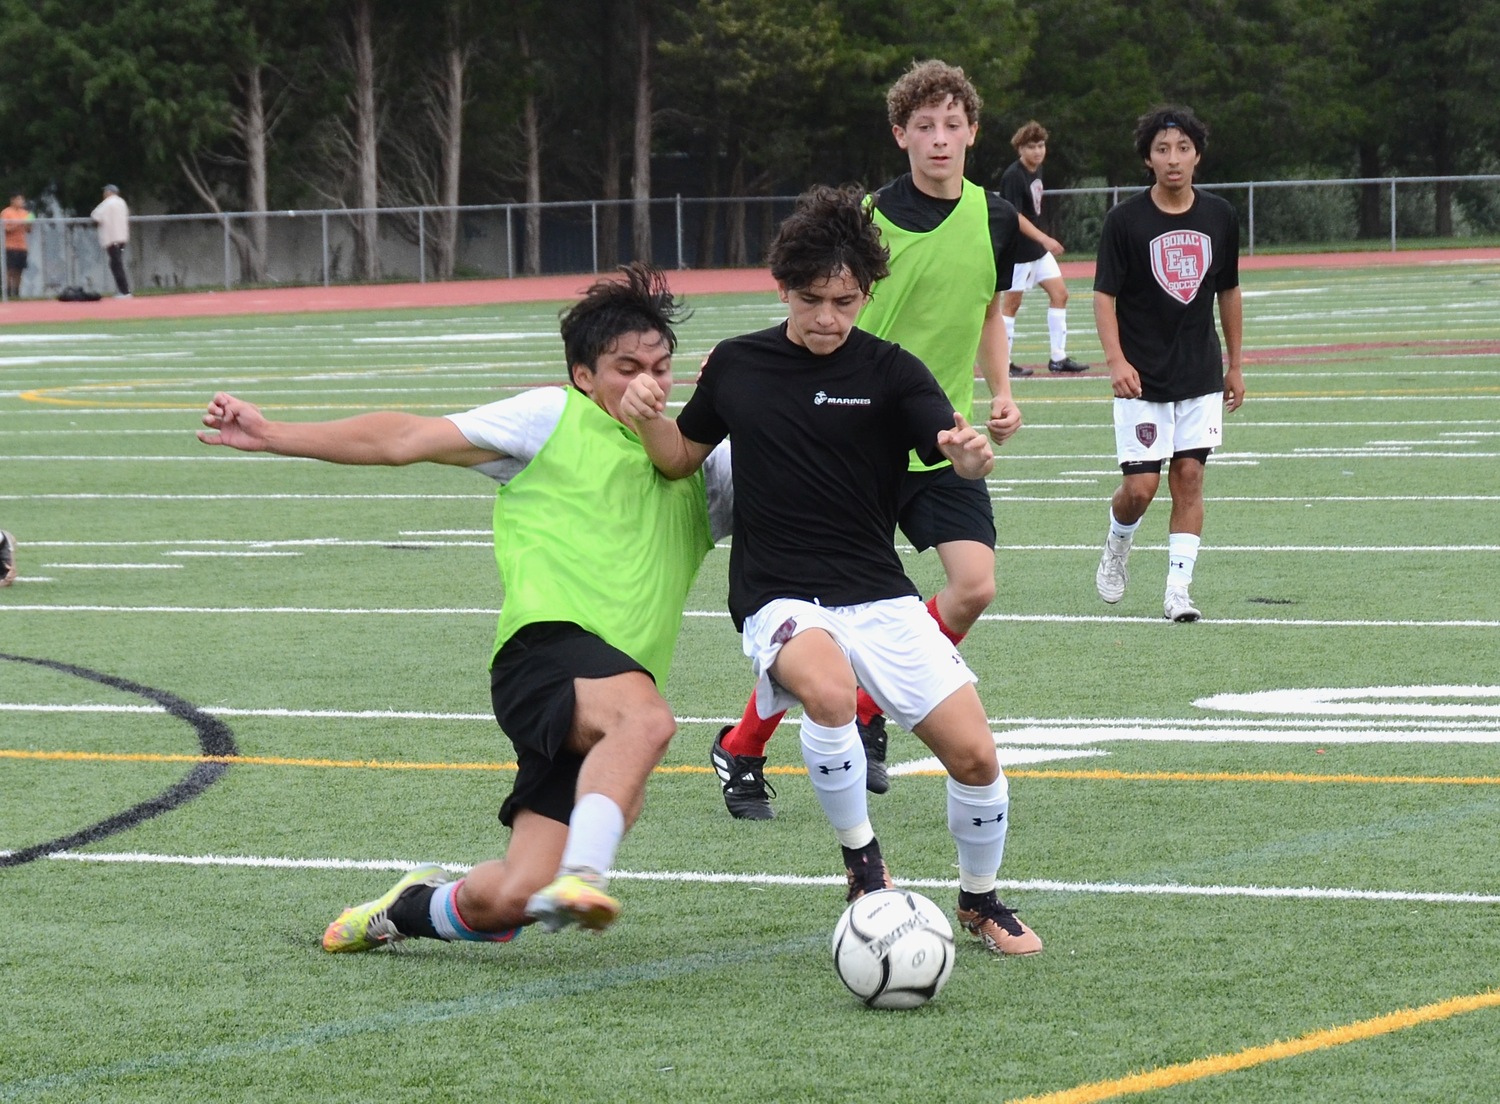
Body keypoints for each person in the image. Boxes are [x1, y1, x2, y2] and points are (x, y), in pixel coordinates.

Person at [198, 263, 732, 950]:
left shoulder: (702, 470)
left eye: (660, 369)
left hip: (609, 696)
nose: (647, 385)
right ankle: (586, 872)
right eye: (626, 368)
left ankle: (408, 907)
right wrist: (273, 433)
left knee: (513, 897)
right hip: (542, 657)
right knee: (649, 720)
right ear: (583, 376)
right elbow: (403, 440)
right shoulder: (552, 418)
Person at [623, 184, 1043, 956]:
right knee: (828, 690)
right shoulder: (739, 365)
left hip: (875, 590)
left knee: (978, 756)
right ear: (783, 287)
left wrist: (968, 453)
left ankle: (981, 900)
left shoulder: (892, 370)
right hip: (777, 588)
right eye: (812, 299)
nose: (827, 317)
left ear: (866, 293)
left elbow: (946, 440)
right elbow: (682, 457)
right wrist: (649, 415)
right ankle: (864, 865)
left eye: (845, 301)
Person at [705, 59, 1031, 822]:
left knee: (975, 584)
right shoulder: (864, 218)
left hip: (940, 433)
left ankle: (860, 708)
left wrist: (1002, 389)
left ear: (974, 132)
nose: (941, 140)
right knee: (830, 612)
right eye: (925, 126)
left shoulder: (996, 216)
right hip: (854, 443)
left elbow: (987, 308)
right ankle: (750, 741)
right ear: (900, 134)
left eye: (954, 125)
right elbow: (824, 328)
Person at [1093, 105, 1244, 622]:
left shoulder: (1220, 216)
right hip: (1141, 377)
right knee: (1141, 488)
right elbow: (1103, 296)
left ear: (1197, 155)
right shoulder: (1124, 221)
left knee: (1190, 477)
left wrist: (1236, 363)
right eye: (1162, 149)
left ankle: (1178, 592)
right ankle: (1117, 541)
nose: (1173, 159)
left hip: (1199, 371)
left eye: (1183, 148)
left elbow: (1229, 291)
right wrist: (1115, 360)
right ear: (1147, 160)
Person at [998, 122, 1089, 376]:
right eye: (1031, 146)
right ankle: (1003, 364)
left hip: (1036, 250)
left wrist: (1041, 242)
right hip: (1018, 253)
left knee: (1060, 294)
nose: (1038, 151)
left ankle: (1058, 358)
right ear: (1020, 148)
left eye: (1041, 145)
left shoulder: (1037, 171)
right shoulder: (1013, 175)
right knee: (1011, 306)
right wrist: (1045, 238)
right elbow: (1013, 215)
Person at [90, 184, 130, 298]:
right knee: (115, 263)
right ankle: (123, 290)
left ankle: (124, 291)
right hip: (122, 237)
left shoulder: (107, 203)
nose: (104, 194)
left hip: (112, 238)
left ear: (109, 192)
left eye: (105, 192)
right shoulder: (122, 202)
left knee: (116, 264)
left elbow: (96, 215)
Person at [2, 193, 34, 299]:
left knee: (19, 270)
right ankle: (7, 292)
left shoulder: (24, 213)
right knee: (10, 270)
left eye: (22, 200)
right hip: (10, 246)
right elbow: (6, 229)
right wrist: (18, 223)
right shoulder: (6, 212)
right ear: (13, 200)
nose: (21, 202)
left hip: (22, 246)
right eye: (19, 200)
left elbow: (28, 230)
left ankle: (16, 292)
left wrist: (29, 223)